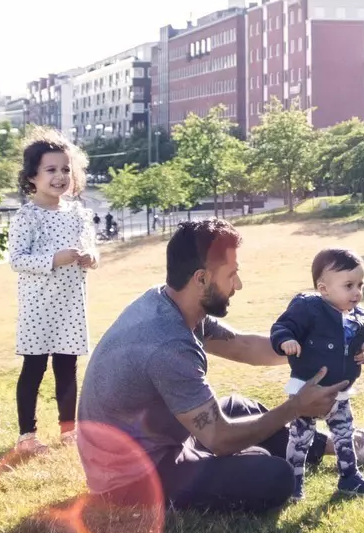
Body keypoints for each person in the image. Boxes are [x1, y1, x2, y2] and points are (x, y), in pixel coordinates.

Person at [77, 219, 349, 512]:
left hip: (158, 441)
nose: (238, 285)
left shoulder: (172, 301)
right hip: (131, 479)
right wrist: (295, 407)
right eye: (231, 275)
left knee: (242, 408)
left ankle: (344, 446)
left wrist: (316, 351)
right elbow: (219, 438)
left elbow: (242, 345)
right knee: (274, 476)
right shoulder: (168, 344)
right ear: (202, 279)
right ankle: (290, 453)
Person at [8, 133, 98, 454]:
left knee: (67, 368)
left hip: (71, 306)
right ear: (32, 176)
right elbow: (17, 260)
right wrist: (53, 259)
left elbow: (92, 252)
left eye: (65, 170)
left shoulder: (78, 214)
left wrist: (90, 258)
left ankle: (68, 430)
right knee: (33, 368)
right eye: (50, 170)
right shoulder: (27, 216)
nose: (60, 176)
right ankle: (26, 437)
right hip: (38, 307)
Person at [272, 247, 364, 498]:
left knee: (344, 436)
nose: (357, 292)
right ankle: (293, 481)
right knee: (300, 438)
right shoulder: (308, 308)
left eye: (360, 285)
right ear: (323, 289)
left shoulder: (361, 317)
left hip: (339, 391)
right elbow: (283, 326)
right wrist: (285, 340)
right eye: (349, 285)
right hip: (307, 390)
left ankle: (349, 476)